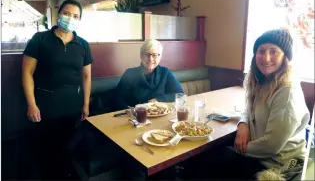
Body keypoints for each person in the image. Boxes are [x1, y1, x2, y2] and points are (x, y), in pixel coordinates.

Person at [183, 29, 310, 180]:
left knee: (207, 159)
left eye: (274, 51)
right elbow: (249, 108)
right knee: (205, 156)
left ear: (285, 58)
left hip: (276, 164)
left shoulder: (287, 92)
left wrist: (237, 148)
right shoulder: (262, 80)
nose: (266, 57)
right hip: (257, 153)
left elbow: (271, 146)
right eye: (261, 51)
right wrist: (243, 124)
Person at [20, 0, 93, 180]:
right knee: (46, 152)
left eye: (76, 16)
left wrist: (85, 104)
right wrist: (31, 104)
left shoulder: (83, 45)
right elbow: (27, 73)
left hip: (72, 107)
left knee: (68, 150)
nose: (70, 19)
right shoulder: (40, 39)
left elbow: (86, 77)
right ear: (58, 14)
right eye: (67, 14)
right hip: (46, 107)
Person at [115, 39, 184, 110]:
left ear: (159, 57)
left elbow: (179, 94)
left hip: (158, 115)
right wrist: (129, 110)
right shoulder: (130, 74)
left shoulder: (165, 72)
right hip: (135, 117)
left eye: (155, 55)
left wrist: (157, 99)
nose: (150, 59)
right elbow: (117, 99)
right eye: (146, 54)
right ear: (141, 56)